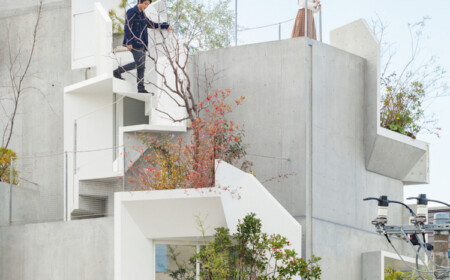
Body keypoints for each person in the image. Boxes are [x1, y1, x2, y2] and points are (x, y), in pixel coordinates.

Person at [113, 0, 172, 93]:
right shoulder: (131, 11)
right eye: (145, 4)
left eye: (148, 4)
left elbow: (152, 24)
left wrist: (165, 25)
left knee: (141, 67)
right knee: (140, 64)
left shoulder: (143, 15)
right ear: (139, 1)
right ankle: (118, 71)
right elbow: (127, 26)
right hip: (134, 43)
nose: (146, 6)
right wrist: (129, 42)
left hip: (143, 44)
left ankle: (140, 88)